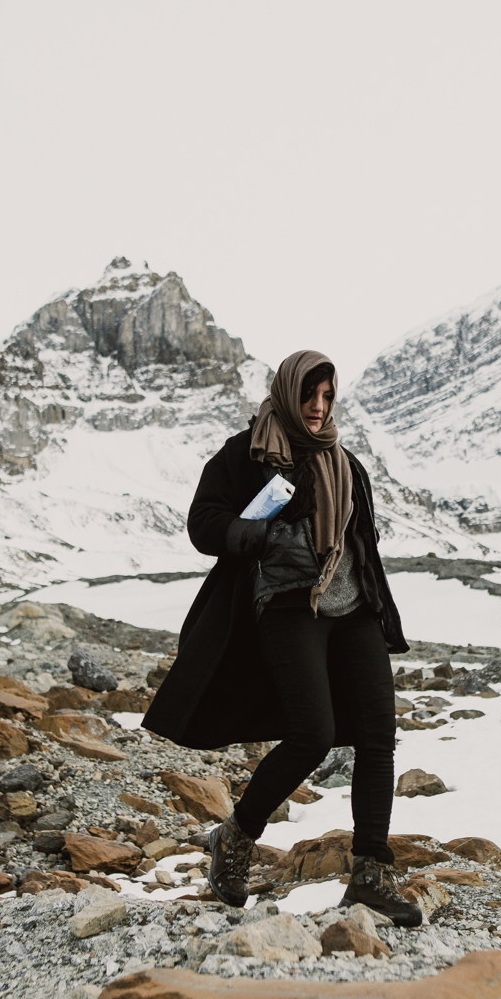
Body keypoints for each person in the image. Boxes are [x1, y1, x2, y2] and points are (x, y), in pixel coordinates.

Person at [142, 349, 421, 926]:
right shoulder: (245, 453)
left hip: (352, 609)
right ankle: (238, 836)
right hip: (288, 607)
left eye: (327, 397)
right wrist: (258, 536)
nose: (317, 409)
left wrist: (377, 607)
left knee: (376, 737)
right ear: (288, 393)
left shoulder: (346, 462)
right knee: (312, 735)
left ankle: (369, 876)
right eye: (308, 396)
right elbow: (203, 524)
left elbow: (361, 542)